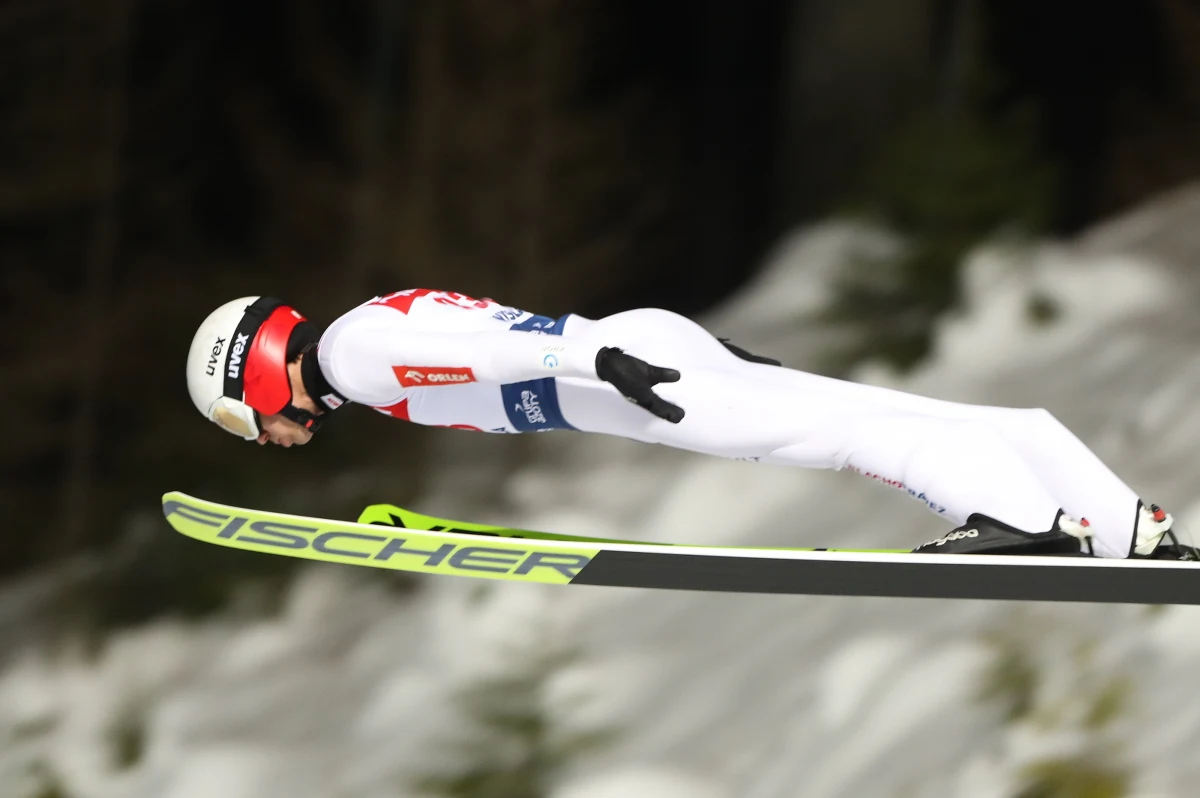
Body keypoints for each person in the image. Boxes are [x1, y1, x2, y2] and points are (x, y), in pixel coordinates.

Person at [186, 289, 1194, 560]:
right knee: (891, 412)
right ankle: (1120, 527)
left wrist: (598, 360)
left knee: (844, 435)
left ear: (256, 379)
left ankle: (1019, 522)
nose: (263, 437)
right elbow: (479, 343)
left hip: (629, 374)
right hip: (635, 355)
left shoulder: (357, 353)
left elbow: (494, 346)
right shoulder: (364, 350)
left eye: (245, 422)